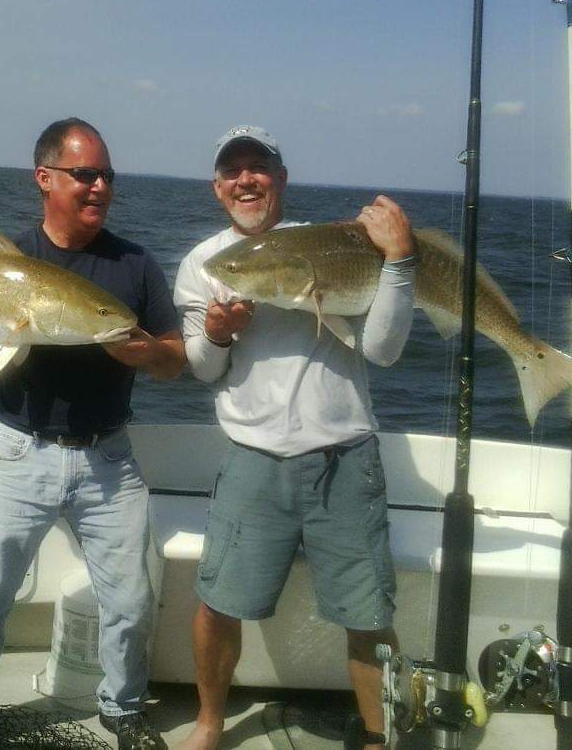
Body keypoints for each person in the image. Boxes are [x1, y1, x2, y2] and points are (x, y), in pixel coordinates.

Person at [0, 117, 184, 750]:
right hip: (21, 452)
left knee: (131, 600)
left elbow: (176, 360)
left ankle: (122, 709)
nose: (99, 187)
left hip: (109, 460)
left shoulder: (136, 266)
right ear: (45, 178)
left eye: (107, 176)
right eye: (84, 174)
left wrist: (146, 355)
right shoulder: (2, 262)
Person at [172, 125, 415, 750]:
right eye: (233, 171)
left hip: (346, 459)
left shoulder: (335, 246)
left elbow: (384, 350)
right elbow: (203, 368)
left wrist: (400, 260)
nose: (245, 180)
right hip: (253, 461)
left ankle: (378, 735)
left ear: (281, 179)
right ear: (217, 187)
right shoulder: (204, 263)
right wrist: (220, 333)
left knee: (369, 617)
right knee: (218, 604)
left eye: (259, 168)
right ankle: (208, 723)